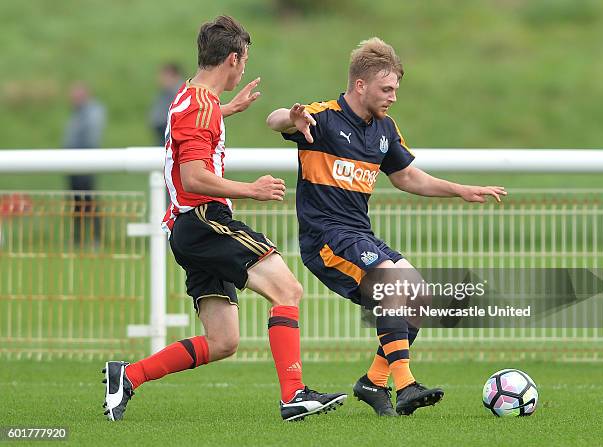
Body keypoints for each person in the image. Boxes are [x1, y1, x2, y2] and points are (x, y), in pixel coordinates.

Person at [102, 15, 346, 422]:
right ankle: (294, 395)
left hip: (187, 227)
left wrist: (231, 107)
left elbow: (195, 129)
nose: (245, 67)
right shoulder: (200, 106)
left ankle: (128, 376)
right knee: (288, 291)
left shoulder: (192, 98)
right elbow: (193, 175)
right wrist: (252, 189)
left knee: (223, 341)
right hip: (203, 219)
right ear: (233, 58)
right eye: (245, 59)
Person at [266, 37, 507, 416]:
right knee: (391, 284)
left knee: (420, 297)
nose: (393, 96)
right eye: (387, 88)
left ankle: (374, 381)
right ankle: (406, 382)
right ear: (360, 85)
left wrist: (461, 190)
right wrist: (289, 118)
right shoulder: (323, 117)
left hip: (358, 235)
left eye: (396, 88)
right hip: (325, 238)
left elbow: (408, 177)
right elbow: (274, 119)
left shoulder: (383, 128)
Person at [64, 82, 106, 246]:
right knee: (77, 202)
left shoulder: (93, 112)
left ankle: (96, 238)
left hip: (85, 162)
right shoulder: (77, 113)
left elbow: (90, 138)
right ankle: (78, 238)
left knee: (89, 201)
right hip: (73, 163)